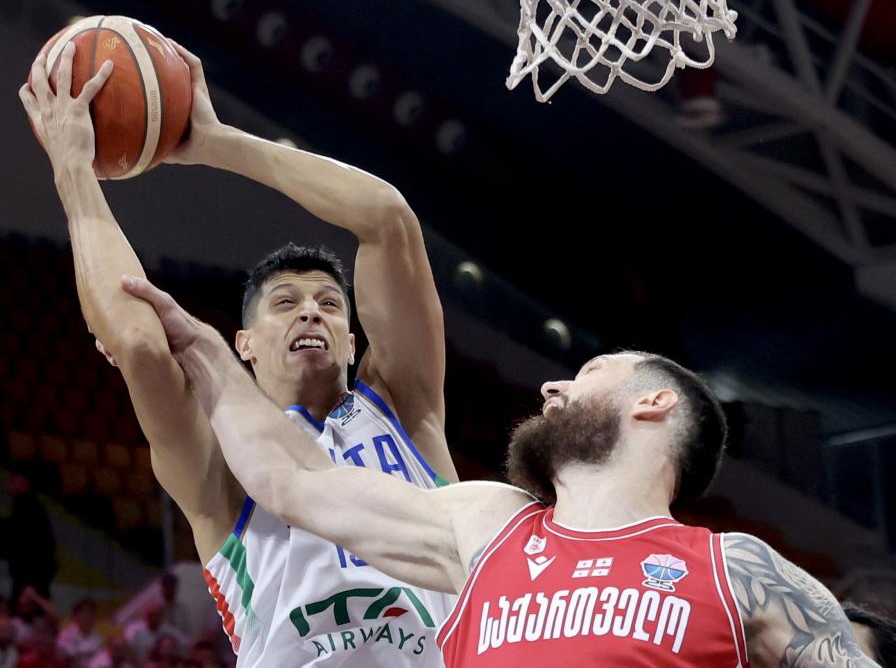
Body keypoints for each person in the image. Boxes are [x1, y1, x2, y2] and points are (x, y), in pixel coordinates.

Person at [120, 277, 884, 667]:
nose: (552, 387)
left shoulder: (734, 569)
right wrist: (204, 350)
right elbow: (294, 482)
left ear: (654, 403)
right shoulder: (484, 526)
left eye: (586, 370)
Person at [19, 36, 456, 666]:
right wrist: (73, 171)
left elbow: (387, 218)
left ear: (353, 341)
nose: (311, 311)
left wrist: (215, 143)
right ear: (241, 344)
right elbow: (139, 343)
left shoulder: (406, 413)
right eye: (286, 303)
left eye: (330, 305)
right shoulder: (221, 461)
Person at [7, 474, 58, 600]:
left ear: (23, 484)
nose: (8, 486)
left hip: (29, 571)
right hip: (37, 570)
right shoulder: (34, 505)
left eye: (12, 482)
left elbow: (21, 539)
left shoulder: (24, 504)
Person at [57, 599, 103, 668]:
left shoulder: (97, 636)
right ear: (75, 616)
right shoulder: (65, 635)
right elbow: (64, 656)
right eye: (84, 612)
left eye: (91, 612)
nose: (88, 616)